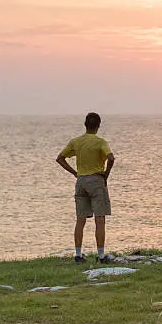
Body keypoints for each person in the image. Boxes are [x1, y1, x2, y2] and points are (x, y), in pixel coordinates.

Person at [56, 112, 115, 263]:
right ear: (98, 126)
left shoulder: (76, 142)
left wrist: (75, 173)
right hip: (96, 181)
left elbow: (60, 158)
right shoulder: (100, 142)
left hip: (81, 181)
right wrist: (106, 176)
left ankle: (78, 255)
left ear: (85, 124)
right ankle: (101, 256)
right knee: (99, 219)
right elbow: (111, 158)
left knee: (80, 220)